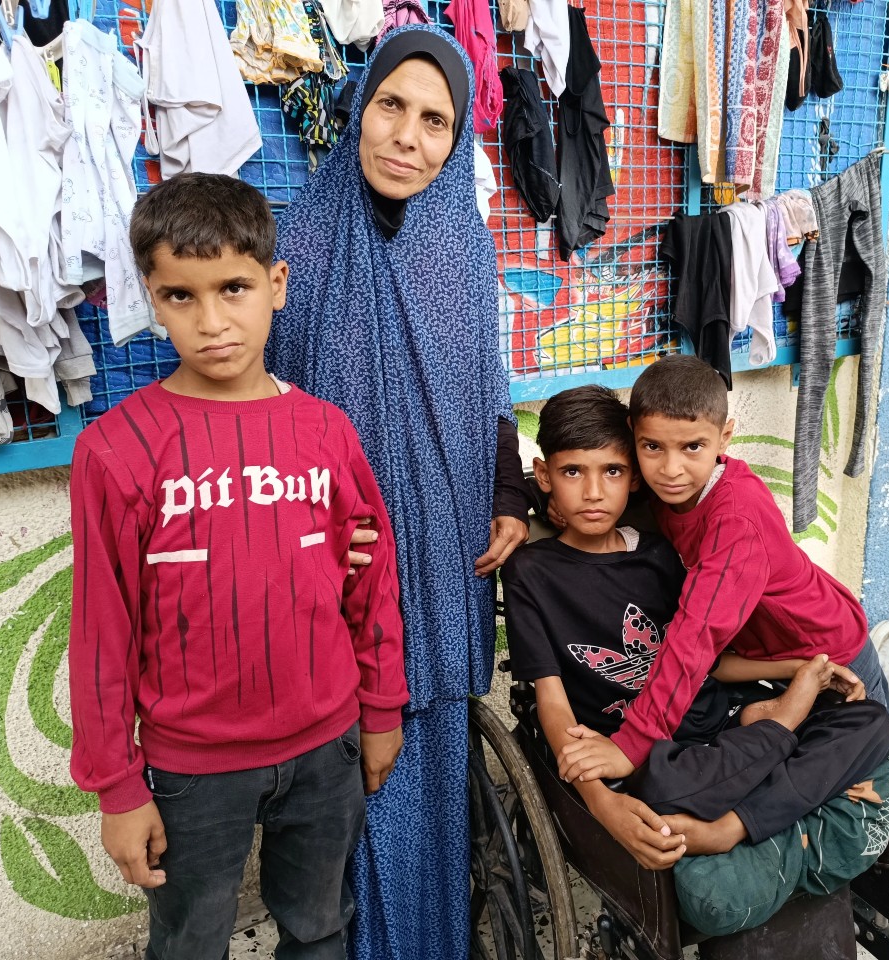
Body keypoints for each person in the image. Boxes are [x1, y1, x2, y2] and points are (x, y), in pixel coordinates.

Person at [67, 173, 409, 960]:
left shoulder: (326, 432)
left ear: (276, 284)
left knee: (321, 926)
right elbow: (100, 633)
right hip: (193, 770)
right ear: (152, 299)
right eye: (181, 296)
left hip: (327, 748)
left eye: (233, 288)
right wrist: (117, 788)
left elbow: (370, 578)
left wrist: (382, 708)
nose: (213, 321)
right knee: (189, 943)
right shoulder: (117, 451)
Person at [556, 356, 889, 960]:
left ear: (725, 439)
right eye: (652, 448)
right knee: (791, 765)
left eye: (692, 447)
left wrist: (631, 742)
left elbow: (692, 641)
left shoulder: (737, 522)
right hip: (757, 664)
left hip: (829, 652)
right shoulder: (667, 487)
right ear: (636, 439)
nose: (670, 469)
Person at [266, 25, 530, 960]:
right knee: (342, 781)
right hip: (336, 569)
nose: (408, 138)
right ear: (358, 107)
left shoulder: (466, 249)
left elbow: (489, 389)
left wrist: (509, 495)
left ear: (456, 143)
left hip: (449, 545)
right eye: (391, 107)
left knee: (435, 765)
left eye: (435, 121)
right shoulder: (294, 242)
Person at [501, 384, 889, 867]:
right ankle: (777, 745)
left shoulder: (657, 551)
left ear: (634, 479)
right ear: (544, 475)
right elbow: (552, 700)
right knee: (664, 790)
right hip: (658, 755)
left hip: (719, 721)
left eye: (612, 472)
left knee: (870, 722)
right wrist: (605, 805)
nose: (593, 493)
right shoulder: (531, 573)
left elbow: (701, 656)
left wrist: (801, 668)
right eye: (572, 473)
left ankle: (731, 820)